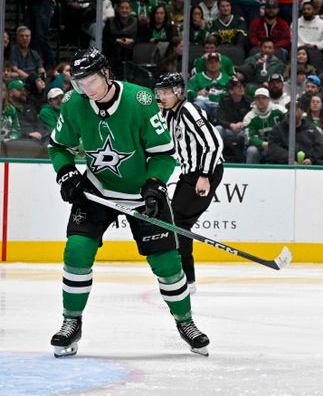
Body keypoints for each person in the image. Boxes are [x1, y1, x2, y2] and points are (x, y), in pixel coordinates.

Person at [47, 48, 209, 358]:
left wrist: (154, 184)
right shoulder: (73, 104)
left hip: (141, 193)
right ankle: (71, 322)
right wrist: (66, 174)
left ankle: (185, 322)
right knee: (77, 250)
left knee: (167, 263)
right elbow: (58, 147)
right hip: (97, 190)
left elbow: (164, 154)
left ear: (106, 73)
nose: (87, 90)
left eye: (91, 80)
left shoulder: (140, 101)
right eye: (80, 83)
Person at [155, 73, 224, 294]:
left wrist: (204, 175)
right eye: (159, 92)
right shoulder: (170, 114)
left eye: (165, 92)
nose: (161, 96)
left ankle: (187, 279)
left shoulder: (189, 111)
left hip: (205, 170)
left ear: (178, 92)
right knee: (175, 223)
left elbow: (214, 144)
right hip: (189, 172)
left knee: (178, 223)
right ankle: (184, 277)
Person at [244, 87, 287, 164]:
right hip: (261, 147)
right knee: (251, 150)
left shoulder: (280, 110)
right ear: (254, 100)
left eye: (264, 98)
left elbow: (289, 125)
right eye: (258, 98)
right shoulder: (249, 117)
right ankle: (250, 173)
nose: (261, 101)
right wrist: (262, 144)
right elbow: (249, 138)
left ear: (269, 99)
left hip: (278, 145)